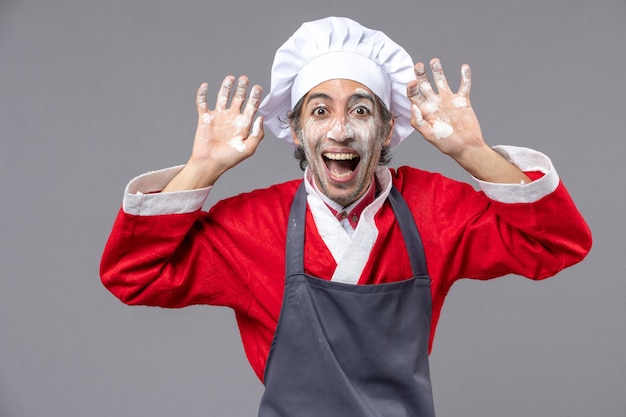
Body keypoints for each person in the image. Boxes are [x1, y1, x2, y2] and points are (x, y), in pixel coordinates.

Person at [100, 16, 592, 417]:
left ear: (386, 131)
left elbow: (557, 243)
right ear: (294, 132)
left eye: (360, 111)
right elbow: (132, 274)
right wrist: (202, 168)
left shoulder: (433, 211)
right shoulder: (256, 225)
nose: (340, 130)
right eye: (318, 111)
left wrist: (472, 151)